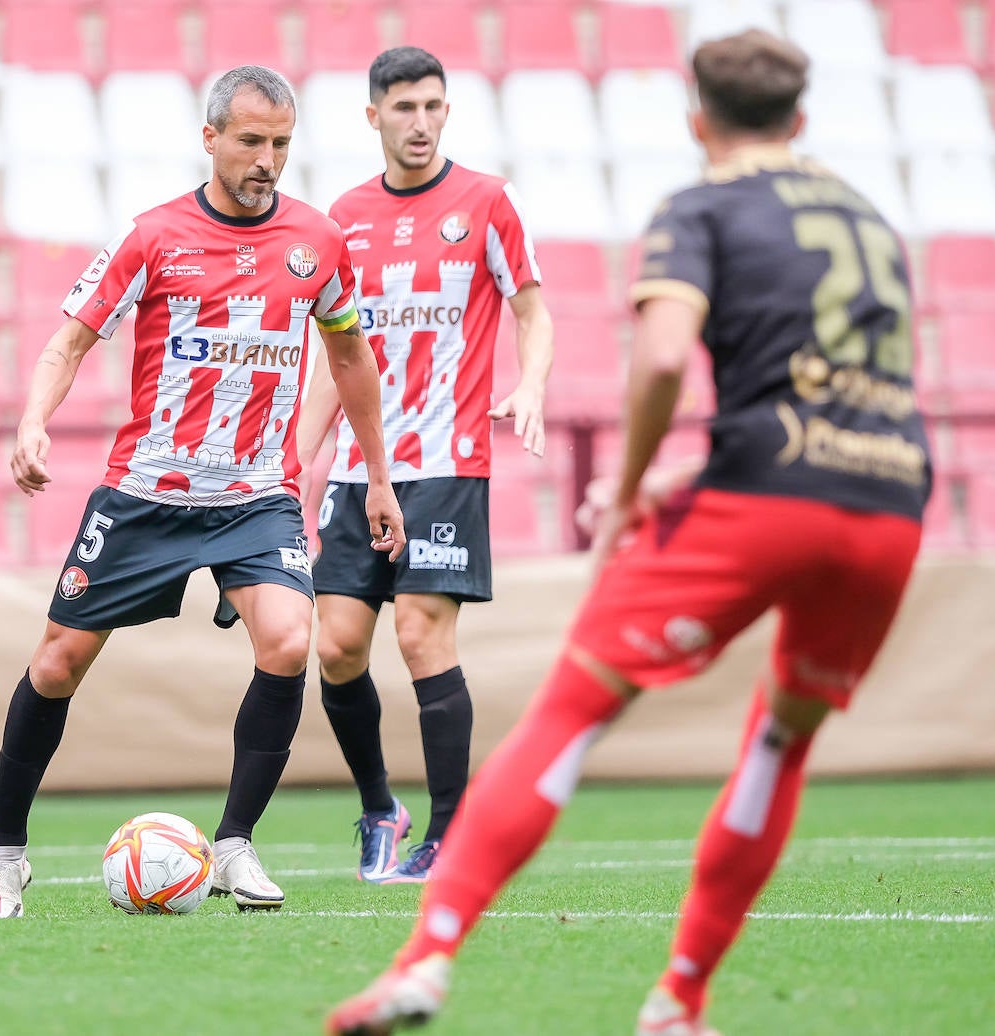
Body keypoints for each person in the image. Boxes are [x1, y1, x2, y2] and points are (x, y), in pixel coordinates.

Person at [326, 28, 932, 1035]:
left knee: (572, 708)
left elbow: (657, 362)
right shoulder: (868, 215)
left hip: (759, 504)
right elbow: (846, 401)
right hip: (889, 504)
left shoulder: (699, 207)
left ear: (698, 121)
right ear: (802, 121)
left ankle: (424, 960)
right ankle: (679, 998)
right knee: (779, 741)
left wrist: (633, 487)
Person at [0, 65, 406, 920]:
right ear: (210, 138)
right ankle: (6, 855)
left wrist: (379, 474)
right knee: (57, 663)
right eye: (250, 141)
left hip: (257, 496)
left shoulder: (317, 242)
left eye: (280, 144)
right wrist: (32, 423)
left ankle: (235, 844)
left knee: (288, 643)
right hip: (147, 492)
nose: (267, 160)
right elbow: (69, 341)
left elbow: (351, 358)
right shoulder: (153, 236)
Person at [297, 46, 553, 885]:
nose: (420, 122)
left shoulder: (485, 202)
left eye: (434, 106)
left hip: (448, 461)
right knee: (334, 648)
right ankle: (381, 806)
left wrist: (532, 384)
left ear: (448, 112)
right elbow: (337, 359)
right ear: (374, 116)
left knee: (417, 632)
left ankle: (451, 831)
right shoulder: (343, 218)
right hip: (358, 474)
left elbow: (532, 312)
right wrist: (295, 466)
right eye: (404, 108)